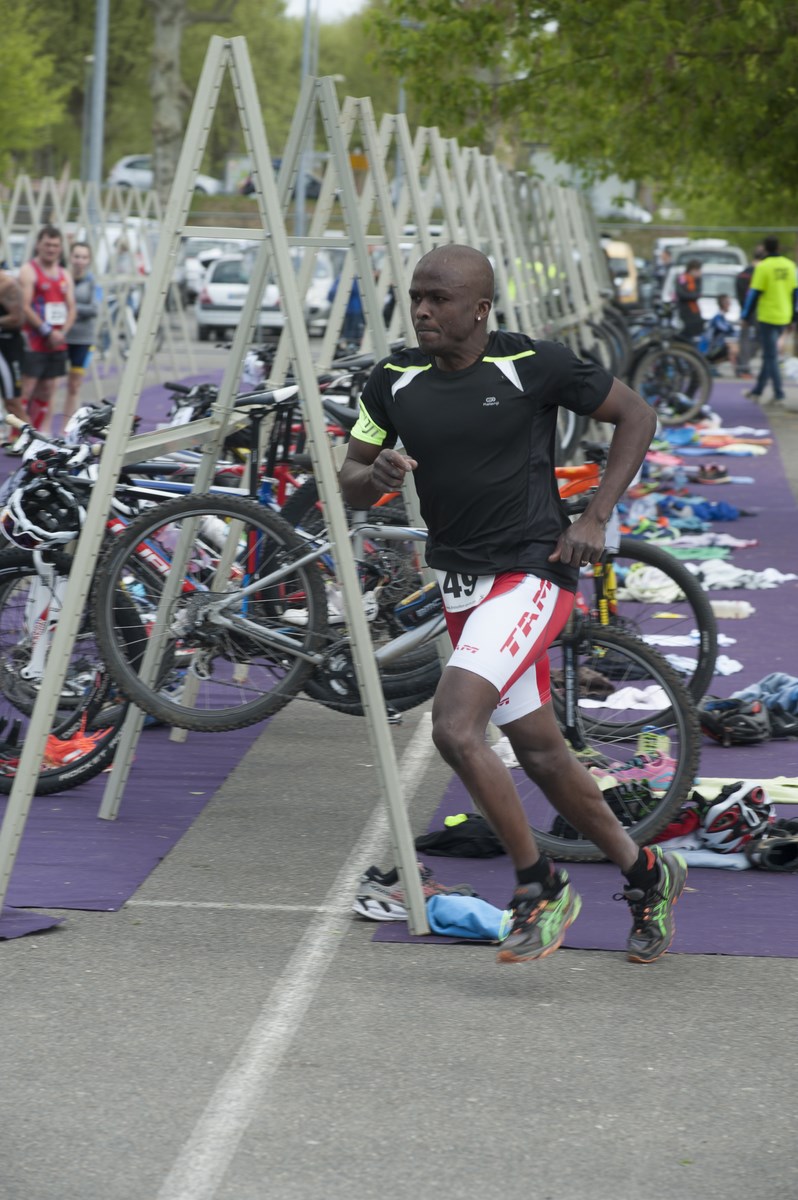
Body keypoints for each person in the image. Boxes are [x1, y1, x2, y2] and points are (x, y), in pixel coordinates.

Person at [339, 243, 687, 966]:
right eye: (416, 297)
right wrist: (378, 474)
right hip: (462, 586)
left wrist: (595, 517)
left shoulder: (533, 364)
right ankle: (647, 873)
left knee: (453, 725)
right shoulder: (392, 379)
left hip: (532, 574)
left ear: (480, 309)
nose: (422, 310)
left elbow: (637, 416)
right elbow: (350, 478)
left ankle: (539, 886)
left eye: (438, 299)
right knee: (542, 753)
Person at [18, 225, 75, 433]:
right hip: (35, 340)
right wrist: (46, 331)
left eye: (55, 245)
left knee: (48, 389)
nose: (51, 249)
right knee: (27, 388)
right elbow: (24, 306)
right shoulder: (29, 270)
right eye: (47, 244)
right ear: (38, 245)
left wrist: (61, 333)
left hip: (57, 342)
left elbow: (72, 308)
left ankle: (36, 432)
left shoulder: (64, 274)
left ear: (60, 248)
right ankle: (17, 434)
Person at [741, 236, 798, 404]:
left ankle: (779, 393)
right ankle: (758, 390)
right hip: (784, 315)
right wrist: (793, 316)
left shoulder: (763, 267)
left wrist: (745, 316)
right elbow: (795, 292)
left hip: (767, 316)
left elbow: (754, 293)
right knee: (769, 355)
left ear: (765, 249)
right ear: (778, 247)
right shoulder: (789, 265)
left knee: (771, 356)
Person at [63, 241, 98, 429]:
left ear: (89, 260)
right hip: (61, 337)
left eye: (84, 257)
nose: (80, 261)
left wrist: (71, 308)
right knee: (49, 384)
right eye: (77, 256)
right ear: (70, 257)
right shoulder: (62, 277)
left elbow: (94, 309)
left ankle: (67, 426)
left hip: (83, 339)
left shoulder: (92, 282)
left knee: (74, 385)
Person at [0, 265, 26, 429]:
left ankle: (33, 439)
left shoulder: (7, 284)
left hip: (7, 347)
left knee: (13, 403)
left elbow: (17, 318)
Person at [735, 246, 764, 379]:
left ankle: (742, 364)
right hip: (757, 310)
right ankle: (743, 366)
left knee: (746, 339)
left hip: (746, 310)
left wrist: (744, 310)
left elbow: (739, 294)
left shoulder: (743, 274)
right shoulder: (760, 273)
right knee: (758, 338)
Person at [698, 294, 739, 374]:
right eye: (728, 303)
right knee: (732, 347)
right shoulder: (717, 318)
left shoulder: (722, 317)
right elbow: (728, 330)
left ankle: (713, 366)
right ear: (723, 304)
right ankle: (738, 371)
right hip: (707, 351)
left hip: (714, 348)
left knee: (732, 344)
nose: (730, 305)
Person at [674, 258, 704, 341]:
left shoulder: (698, 280)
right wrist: (692, 296)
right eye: (697, 270)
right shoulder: (682, 278)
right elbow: (681, 294)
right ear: (692, 270)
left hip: (694, 312)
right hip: (685, 311)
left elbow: (698, 294)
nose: (699, 272)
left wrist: (692, 295)